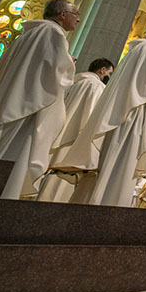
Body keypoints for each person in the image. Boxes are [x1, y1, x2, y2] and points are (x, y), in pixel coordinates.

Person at [56, 22, 146, 207]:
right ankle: (110, 204)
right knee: (122, 161)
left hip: (122, 109)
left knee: (111, 158)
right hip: (134, 111)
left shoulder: (136, 49)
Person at [0, 0, 78, 199]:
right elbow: (57, 74)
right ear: (62, 14)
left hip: (17, 99)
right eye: (75, 14)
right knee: (19, 156)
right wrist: (68, 62)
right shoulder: (53, 33)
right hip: (32, 107)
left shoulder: (30, 33)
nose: (77, 19)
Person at [37, 57, 114, 202]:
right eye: (109, 73)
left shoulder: (75, 82)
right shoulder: (96, 86)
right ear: (102, 70)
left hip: (58, 133)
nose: (109, 77)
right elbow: (92, 118)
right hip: (75, 139)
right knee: (57, 190)